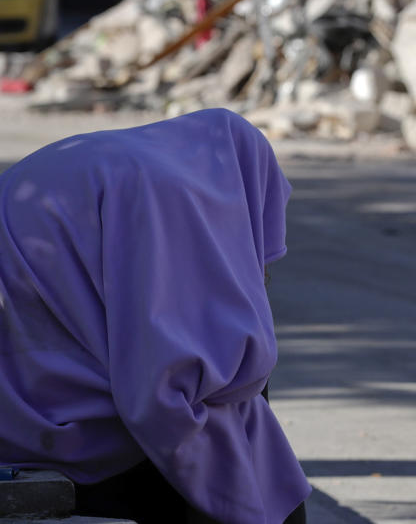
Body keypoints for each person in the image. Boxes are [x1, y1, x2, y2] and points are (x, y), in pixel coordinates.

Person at [0, 108, 310, 524]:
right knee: (243, 431)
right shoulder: (167, 192)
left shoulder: (140, 165)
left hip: (18, 402)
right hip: (77, 433)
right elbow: (165, 386)